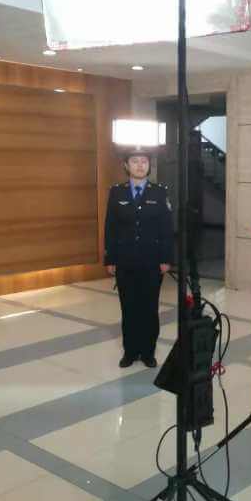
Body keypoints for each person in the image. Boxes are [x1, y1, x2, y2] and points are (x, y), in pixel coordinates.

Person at [104, 152, 174, 369]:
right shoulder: (117, 192)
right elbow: (110, 227)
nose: (140, 165)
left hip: (152, 261)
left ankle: (148, 352)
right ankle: (130, 351)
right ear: (126, 165)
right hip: (125, 261)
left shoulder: (159, 192)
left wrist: (166, 258)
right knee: (129, 308)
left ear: (149, 166)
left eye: (144, 161)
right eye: (135, 161)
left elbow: (166, 229)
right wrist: (110, 258)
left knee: (149, 308)